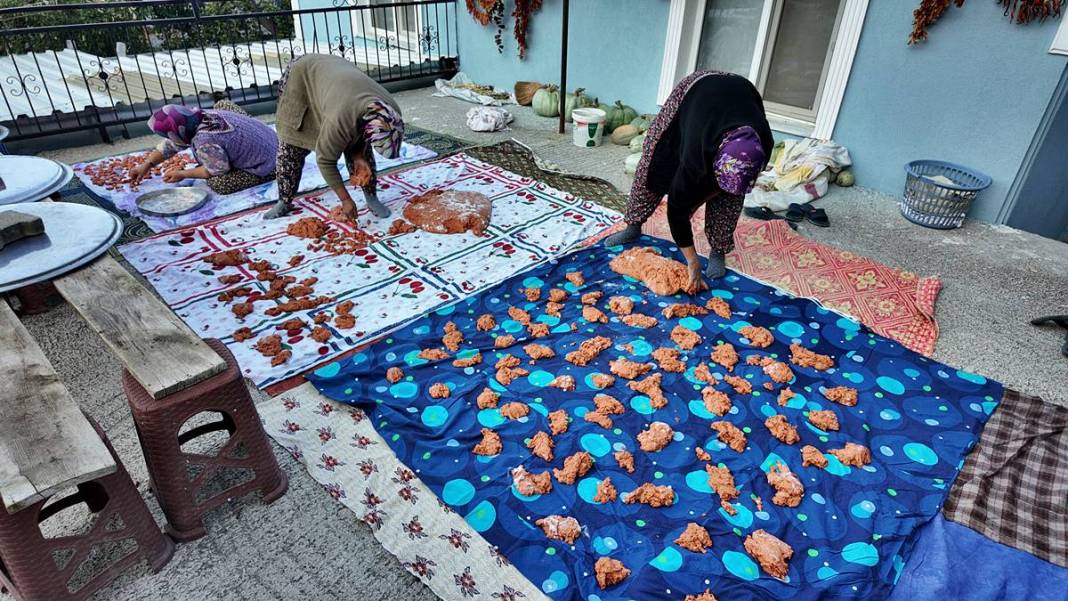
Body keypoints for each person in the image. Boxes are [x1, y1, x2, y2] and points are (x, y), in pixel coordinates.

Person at [604, 71, 773, 292]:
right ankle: (633, 224)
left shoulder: (762, 144)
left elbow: (733, 182)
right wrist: (692, 263)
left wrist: (715, 192)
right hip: (695, 92)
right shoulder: (697, 149)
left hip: (740, 95)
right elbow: (676, 210)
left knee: (731, 196)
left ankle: (718, 248)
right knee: (655, 163)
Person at [265, 54, 404, 220]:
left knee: (363, 157)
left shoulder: (390, 111)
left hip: (337, 82)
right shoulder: (340, 118)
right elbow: (325, 161)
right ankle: (284, 200)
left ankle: (371, 197)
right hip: (303, 75)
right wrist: (345, 200)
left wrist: (359, 154)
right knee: (292, 143)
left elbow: (365, 134)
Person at [131, 101, 277, 194]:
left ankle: (265, 171)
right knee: (222, 104)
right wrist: (146, 165)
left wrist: (183, 174)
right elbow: (170, 146)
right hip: (272, 139)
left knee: (219, 183)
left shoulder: (204, 142)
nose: (169, 138)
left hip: (273, 164)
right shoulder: (200, 115)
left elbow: (216, 170)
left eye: (168, 135)